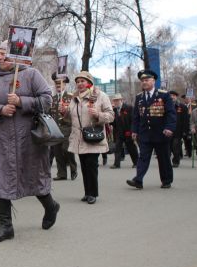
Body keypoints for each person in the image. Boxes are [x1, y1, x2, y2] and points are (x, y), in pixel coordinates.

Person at [0, 41, 60, 243]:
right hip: (2, 139)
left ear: (16, 56)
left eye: (3, 53)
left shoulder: (31, 74)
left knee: (34, 178)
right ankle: (6, 226)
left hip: (29, 140)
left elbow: (47, 101)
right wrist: (0, 110)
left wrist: (21, 102)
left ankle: (51, 206)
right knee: (0, 179)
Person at [61, 71, 114, 204]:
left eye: (82, 81)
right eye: (78, 82)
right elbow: (70, 118)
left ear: (89, 83)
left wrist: (98, 114)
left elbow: (111, 115)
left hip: (93, 136)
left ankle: (93, 194)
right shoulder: (74, 97)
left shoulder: (100, 96)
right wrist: (65, 113)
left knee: (91, 166)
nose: (79, 84)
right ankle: (87, 192)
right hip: (79, 138)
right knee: (84, 166)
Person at [126, 70, 176, 190]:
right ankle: (138, 179)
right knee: (143, 157)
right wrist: (134, 130)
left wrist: (169, 127)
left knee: (163, 158)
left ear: (153, 81)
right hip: (145, 134)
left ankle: (166, 180)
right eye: (142, 80)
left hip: (161, 133)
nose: (144, 82)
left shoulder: (163, 95)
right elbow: (136, 116)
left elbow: (171, 113)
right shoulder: (139, 97)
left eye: (147, 80)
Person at [49, 72, 78, 181]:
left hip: (67, 128)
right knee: (57, 152)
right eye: (56, 84)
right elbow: (50, 113)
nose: (58, 86)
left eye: (60, 84)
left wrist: (65, 111)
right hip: (55, 129)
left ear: (64, 85)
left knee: (67, 150)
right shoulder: (53, 98)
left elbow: (75, 113)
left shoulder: (70, 97)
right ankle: (62, 173)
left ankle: (73, 168)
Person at [110, 93, 138, 169]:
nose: (116, 102)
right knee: (117, 148)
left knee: (131, 148)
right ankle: (116, 164)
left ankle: (136, 163)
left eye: (117, 100)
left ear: (121, 100)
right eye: (114, 101)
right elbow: (112, 122)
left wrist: (132, 131)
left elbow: (133, 120)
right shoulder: (113, 110)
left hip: (128, 131)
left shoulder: (129, 108)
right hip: (118, 132)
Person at [169, 91, 190, 168]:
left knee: (176, 146)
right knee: (168, 147)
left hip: (178, 131)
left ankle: (176, 161)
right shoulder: (165, 106)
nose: (172, 97)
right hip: (167, 130)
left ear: (176, 97)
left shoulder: (182, 107)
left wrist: (185, 131)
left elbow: (186, 120)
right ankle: (167, 161)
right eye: (170, 95)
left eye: (173, 95)